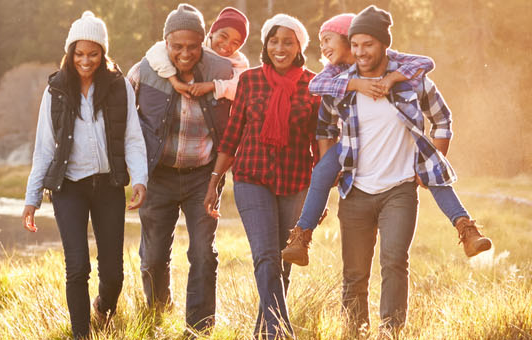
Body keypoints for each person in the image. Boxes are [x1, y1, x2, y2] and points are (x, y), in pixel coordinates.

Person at [313, 5, 485, 334]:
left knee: (394, 262)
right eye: (356, 45)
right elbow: (324, 128)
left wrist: (430, 163)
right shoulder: (342, 85)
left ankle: (390, 331)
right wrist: (330, 163)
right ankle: (355, 331)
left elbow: (443, 120)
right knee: (354, 273)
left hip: (400, 189)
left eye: (369, 45)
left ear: (384, 45)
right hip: (355, 190)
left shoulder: (412, 82)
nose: (362, 52)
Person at [279, 13, 492, 266]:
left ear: (350, 39)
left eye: (328, 39)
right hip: (348, 147)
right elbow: (317, 90)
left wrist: (392, 78)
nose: (323, 47)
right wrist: (356, 84)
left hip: (398, 154)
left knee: (432, 170)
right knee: (322, 172)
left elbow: (424, 63)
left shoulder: (392, 63)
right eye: (321, 41)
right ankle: (301, 236)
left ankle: (466, 228)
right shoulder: (334, 72)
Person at [21, 11, 148, 339]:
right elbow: (44, 149)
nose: (85, 60)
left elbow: (132, 138)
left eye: (93, 53)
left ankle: (103, 309)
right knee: (77, 267)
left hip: (108, 185)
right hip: (69, 188)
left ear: (103, 53)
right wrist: (32, 198)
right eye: (79, 53)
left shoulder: (119, 88)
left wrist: (140, 179)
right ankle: (82, 335)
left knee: (114, 274)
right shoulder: (56, 91)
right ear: (70, 53)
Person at [201, 13, 320, 338]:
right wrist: (214, 181)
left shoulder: (313, 84)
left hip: (295, 182)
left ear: (299, 47)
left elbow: (318, 142)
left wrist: (318, 196)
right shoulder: (250, 80)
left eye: (287, 42)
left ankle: (263, 333)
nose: (279, 47)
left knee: (282, 262)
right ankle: (281, 333)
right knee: (265, 256)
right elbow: (232, 136)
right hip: (252, 179)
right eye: (274, 40)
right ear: (266, 44)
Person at [126, 3, 234, 332]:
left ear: (202, 41)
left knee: (203, 253)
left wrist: (217, 180)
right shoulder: (143, 71)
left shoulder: (222, 69)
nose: (185, 53)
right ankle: (158, 312)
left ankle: (199, 327)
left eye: (192, 46)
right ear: (165, 43)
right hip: (158, 175)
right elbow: (124, 124)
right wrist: (133, 173)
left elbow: (240, 112)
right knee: (154, 257)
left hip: (203, 174)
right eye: (177, 46)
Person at [141, 7, 251, 101]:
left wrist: (213, 86)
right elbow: (156, 51)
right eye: (223, 36)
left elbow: (243, 88)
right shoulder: (197, 46)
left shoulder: (238, 62)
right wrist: (174, 81)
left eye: (235, 43)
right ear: (212, 33)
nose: (227, 45)